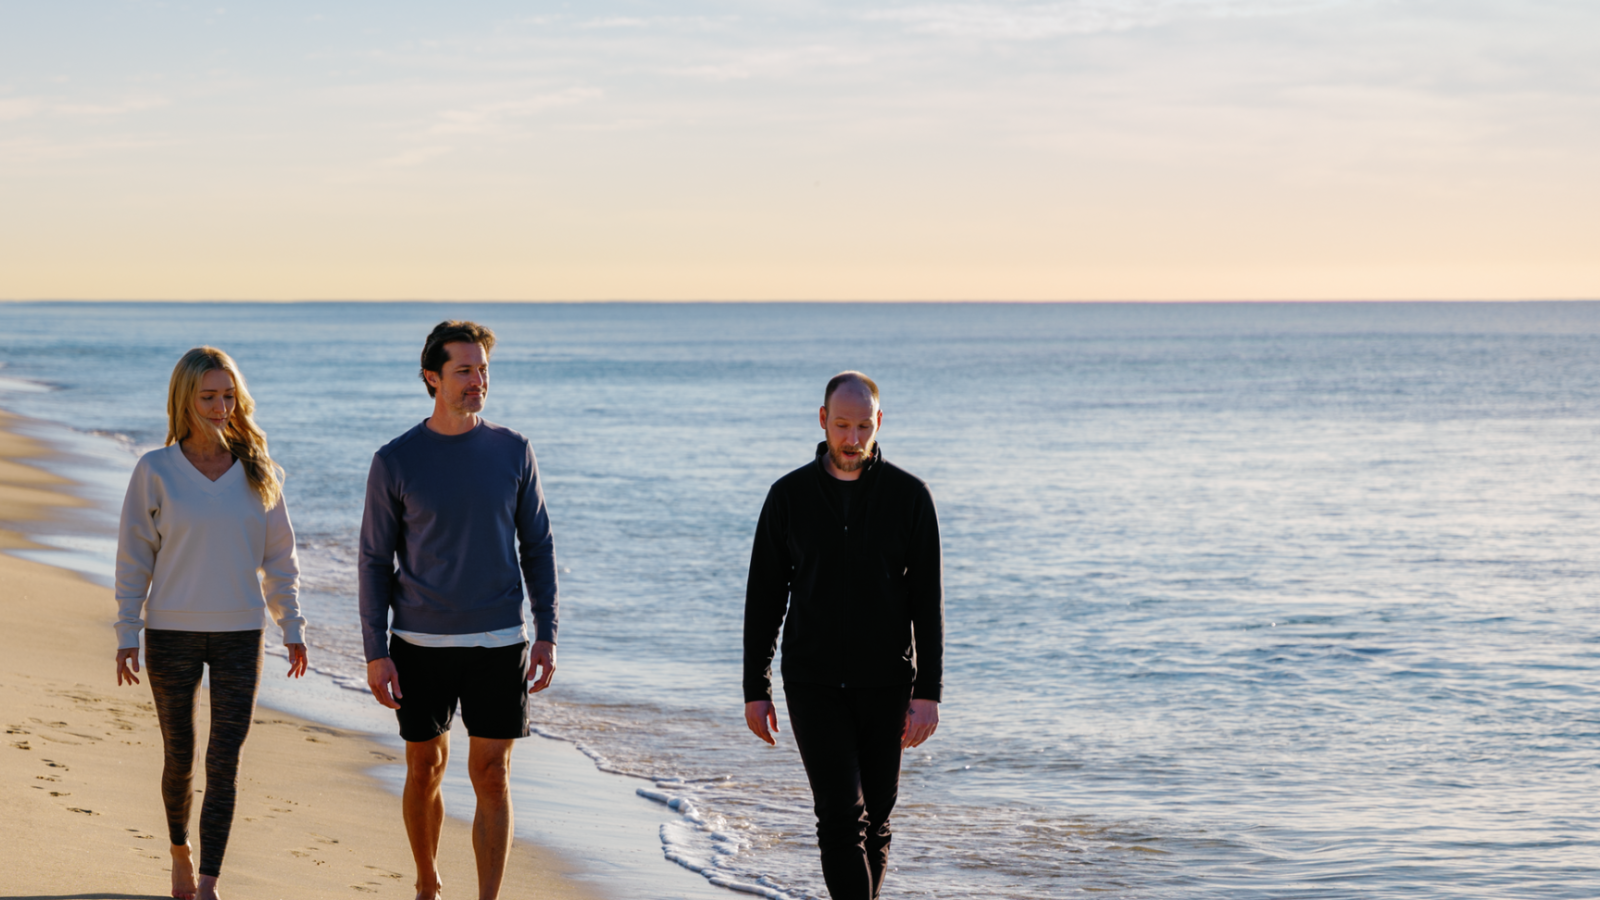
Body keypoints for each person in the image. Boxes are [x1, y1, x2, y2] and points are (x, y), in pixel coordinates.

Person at [359, 320, 559, 900]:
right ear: (432, 377)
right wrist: (377, 652)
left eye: (484, 369)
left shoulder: (513, 450)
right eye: (465, 370)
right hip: (419, 644)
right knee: (425, 769)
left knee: (492, 775)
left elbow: (538, 546)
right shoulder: (395, 461)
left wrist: (546, 631)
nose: (478, 381)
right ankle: (427, 883)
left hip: (500, 641)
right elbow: (374, 560)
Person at [114, 346, 309, 900]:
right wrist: (128, 631)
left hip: (241, 633)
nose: (221, 406)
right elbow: (134, 556)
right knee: (181, 757)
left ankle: (208, 883)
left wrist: (291, 625)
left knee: (225, 760)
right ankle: (180, 851)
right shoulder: (155, 470)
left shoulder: (260, 470)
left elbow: (280, 558)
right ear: (185, 400)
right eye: (209, 397)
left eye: (229, 395)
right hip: (171, 630)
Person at [743, 371, 944, 900]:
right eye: (841, 426)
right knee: (839, 816)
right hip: (813, 682)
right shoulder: (788, 497)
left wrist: (929, 692)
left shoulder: (910, 497)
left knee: (876, 822)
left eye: (862, 426)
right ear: (822, 422)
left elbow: (928, 602)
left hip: (887, 683)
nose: (852, 439)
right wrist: (754, 687)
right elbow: (764, 598)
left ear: (879, 423)